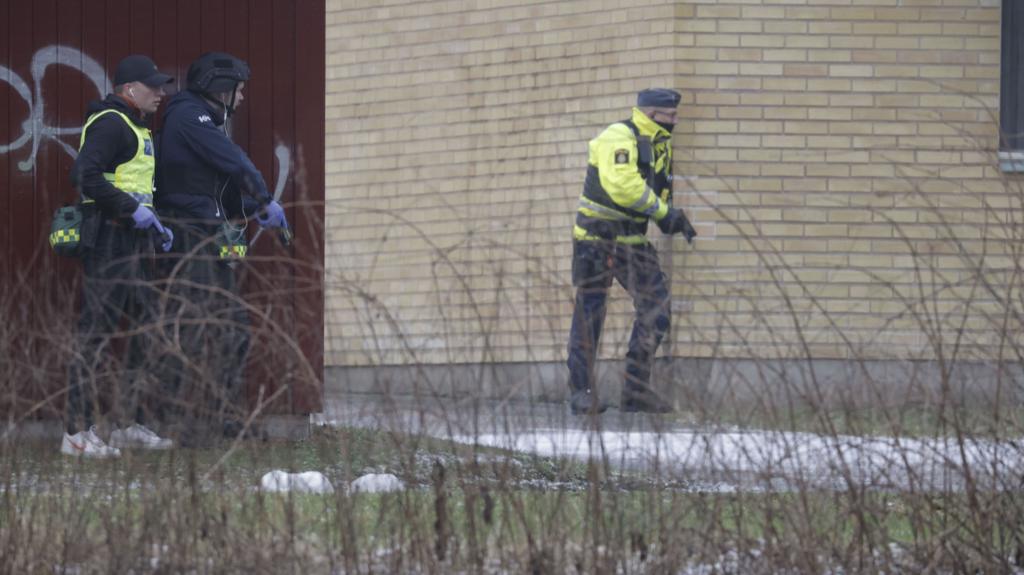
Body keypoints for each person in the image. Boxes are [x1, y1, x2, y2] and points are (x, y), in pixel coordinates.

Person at [154, 52, 287, 442]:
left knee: (232, 329)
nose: (242, 98)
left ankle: (227, 418)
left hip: (207, 232)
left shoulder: (203, 121)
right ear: (220, 88)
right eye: (239, 90)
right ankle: (185, 424)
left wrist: (250, 209)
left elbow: (210, 190)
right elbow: (234, 161)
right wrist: (263, 197)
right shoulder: (187, 116)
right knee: (194, 329)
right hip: (190, 235)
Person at [62, 55, 176, 457]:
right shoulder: (112, 123)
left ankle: (130, 423)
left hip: (133, 241)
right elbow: (84, 176)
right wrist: (132, 211)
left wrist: (154, 224)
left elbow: (132, 185)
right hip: (110, 239)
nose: (161, 93)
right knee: (95, 335)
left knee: (144, 331)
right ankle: (75, 434)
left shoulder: (134, 126)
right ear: (130, 89)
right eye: (154, 86)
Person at [566, 88, 697, 415]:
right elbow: (623, 186)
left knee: (656, 308)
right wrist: (663, 213)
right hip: (597, 239)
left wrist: (671, 217)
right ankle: (580, 392)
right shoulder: (618, 136)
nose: (676, 121)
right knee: (590, 315)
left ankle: (636, 391)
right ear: (653, 114)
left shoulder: (658, 145)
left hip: (632, 241)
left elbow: (655, 189)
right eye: (671, 116)